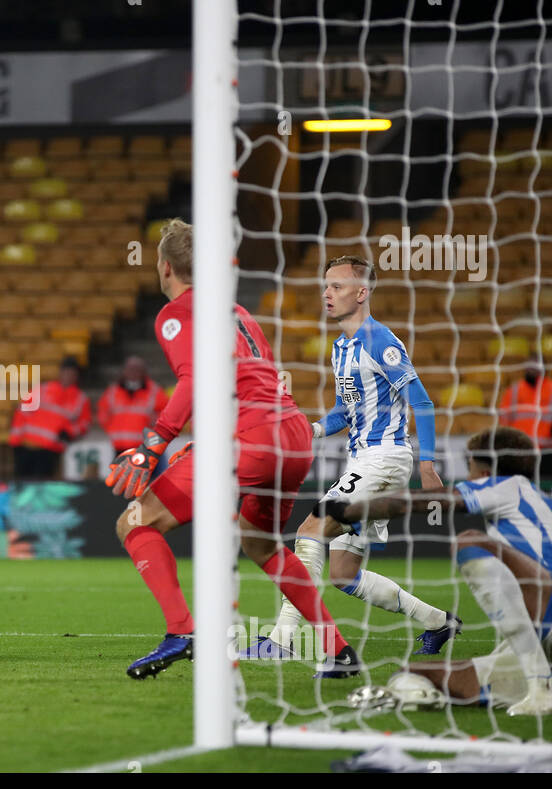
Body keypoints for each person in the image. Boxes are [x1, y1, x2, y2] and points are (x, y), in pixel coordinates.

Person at [106, 219, 358, 679]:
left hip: (253, 439)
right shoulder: (237, 311)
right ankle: (336, 650)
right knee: (261, 543)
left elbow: (194, 378)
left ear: (164, 268)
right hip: (295, 436)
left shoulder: (177, 312)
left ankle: (182, 631)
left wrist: (155, 442)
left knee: (135, 522)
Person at [325, 427, 552, 716]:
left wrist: (347, 510)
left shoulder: (511, 487)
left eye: (469, 465)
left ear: (485, 471)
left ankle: (541, 687)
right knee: (412, 673)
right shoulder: (544, 518)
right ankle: (529, 687)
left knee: (471, 542)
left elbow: (424, 502)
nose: (467, 474)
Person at [257, 255, 460, 659]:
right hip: (363, 460)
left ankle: (281, 640)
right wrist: (311, 430)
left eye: (337, 286)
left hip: (383, 459)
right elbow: (344, 412)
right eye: (325, 285)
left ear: (362, 293)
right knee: (344, 575)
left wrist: (428, 465)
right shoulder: (342, 347)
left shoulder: (379, 340)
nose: (327, 293)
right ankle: (439, 623)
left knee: (309, 533)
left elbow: (423, 402)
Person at [9, 356, 91, 479]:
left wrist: (69, 432)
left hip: (50, 449)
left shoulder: (80, 399)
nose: (69, 375)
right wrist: (15, 441)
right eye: (66, 372)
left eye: (72, 373)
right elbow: (21, 412)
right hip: (26, 446)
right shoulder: (42, 389)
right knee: (22, 484)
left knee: (42, 485)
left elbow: (84, 423)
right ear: (61, 372)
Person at [498, 354, 552, 479]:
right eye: (529, 366)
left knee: (545, 486)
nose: (532, 369)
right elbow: (503, 416)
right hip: (520, 451)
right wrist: (510, 439)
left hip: (546, 451)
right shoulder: (514, 390)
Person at [96, 356, 169, 454]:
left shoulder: (154, 391)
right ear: (124, 371)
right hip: (117, 446)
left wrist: (155, 423)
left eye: (137, 369)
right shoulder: (113, 391)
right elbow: (102, 412)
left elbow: (167, 413)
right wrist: (109, 427)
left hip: (144, 447)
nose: (133, 372)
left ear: (143, 372)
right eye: (130, 369)